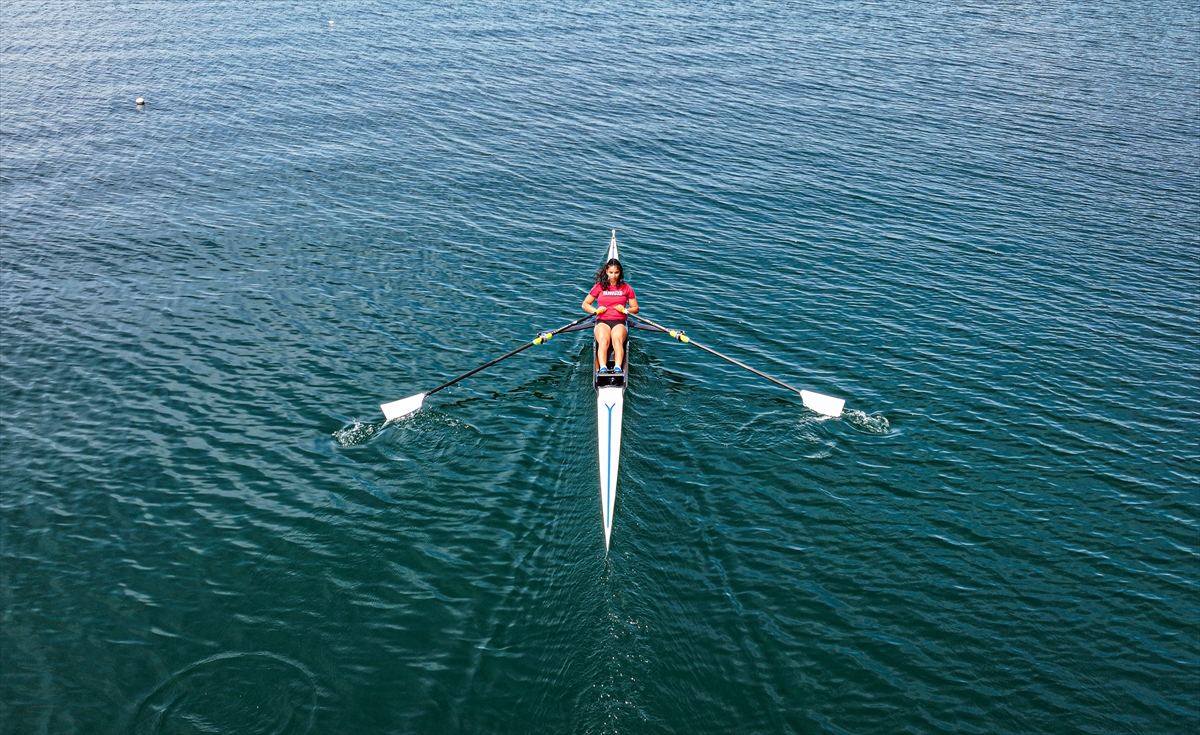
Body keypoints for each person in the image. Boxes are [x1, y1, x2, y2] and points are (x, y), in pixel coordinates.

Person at [582, 258, 638, 373]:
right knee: (604, 341)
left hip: (619, 321)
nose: (613, 276)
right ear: (606, 272)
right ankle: (602, 368)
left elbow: (636, 309)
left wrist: (625, 310)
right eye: (611, 272)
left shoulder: (627, 288)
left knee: (617, 340)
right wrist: (596, 311)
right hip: (602, 321)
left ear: (620, 273)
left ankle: (618, 368)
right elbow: (585, 304)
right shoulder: (599, 287)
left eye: (616, 273)